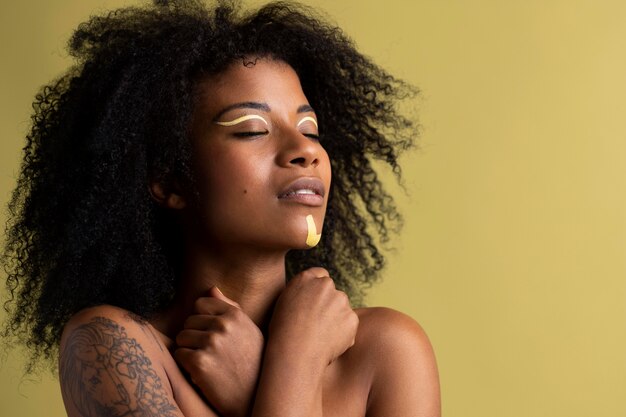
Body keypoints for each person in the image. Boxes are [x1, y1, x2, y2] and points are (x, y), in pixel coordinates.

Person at [2, 1, 440, 416]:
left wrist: (258, 388)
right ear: (170, 180)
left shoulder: (387, 352)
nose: (304, 150)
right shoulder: (110, 345)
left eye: (310, 129)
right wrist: (297, 359)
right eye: (252, 130)